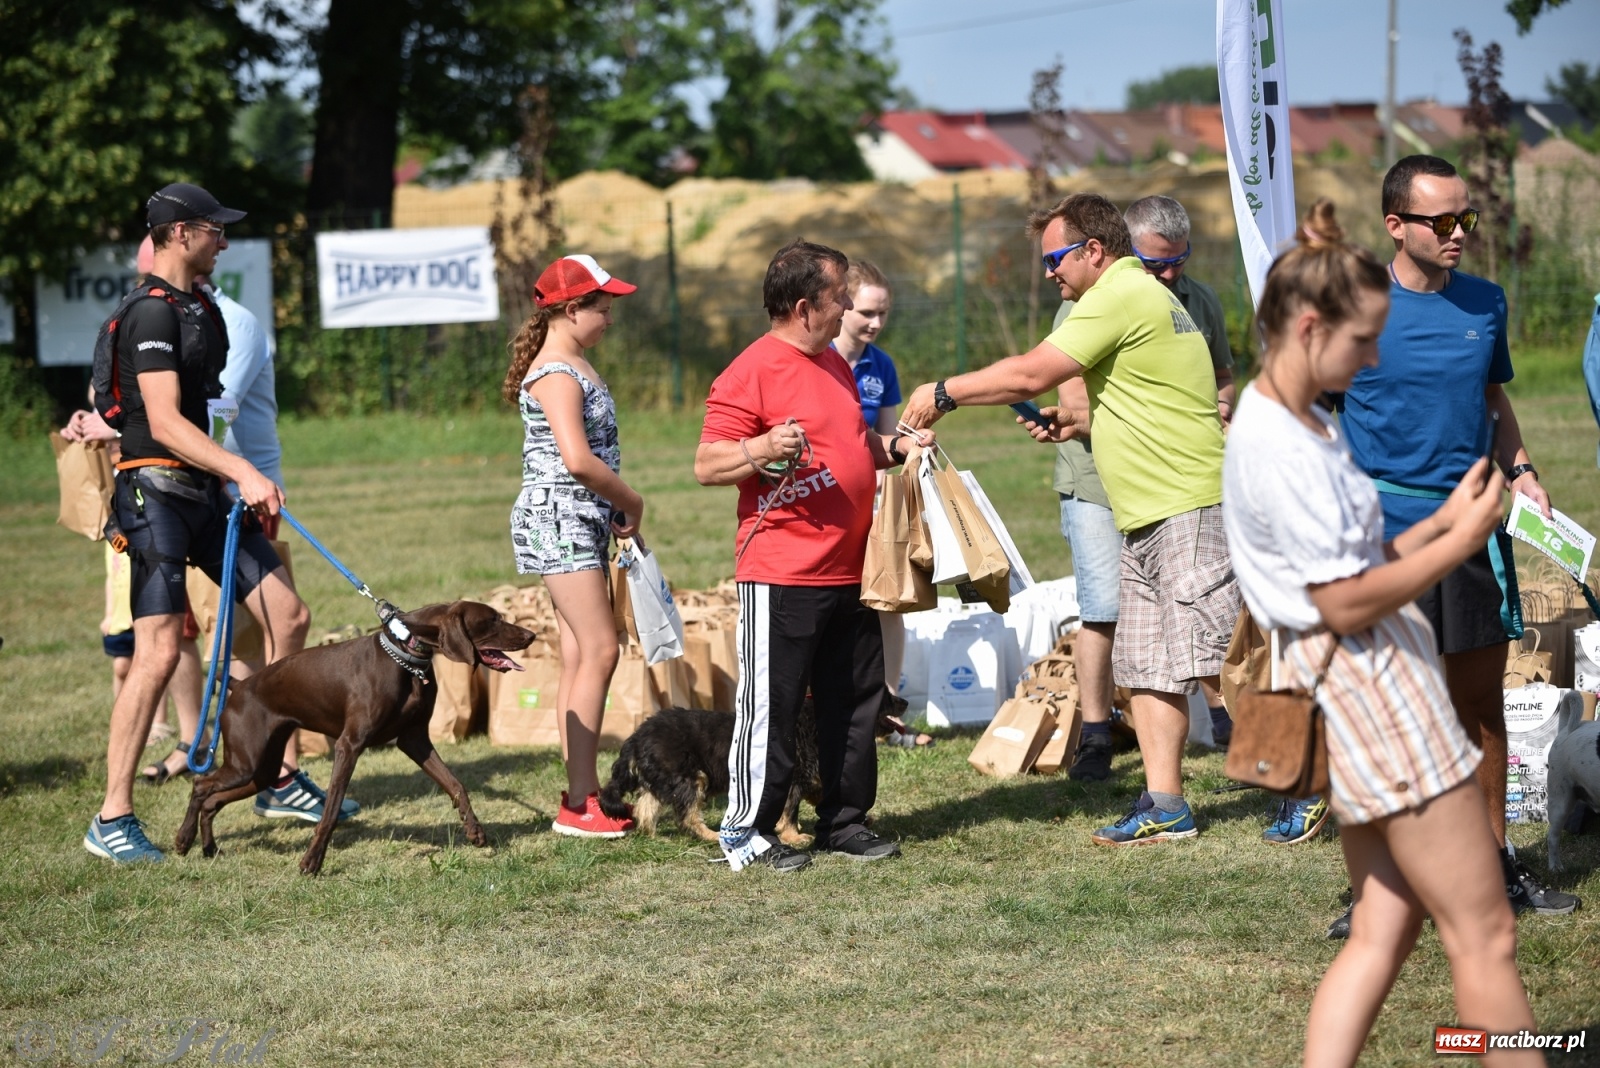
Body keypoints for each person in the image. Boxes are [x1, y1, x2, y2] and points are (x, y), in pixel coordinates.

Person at [1223, 198, 1540, 1068]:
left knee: (1385, 925)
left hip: (1357, 684)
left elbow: (1351, 559)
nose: (1371, 360)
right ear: (1310, 328)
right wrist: (1458, 547)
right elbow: (1341, 602)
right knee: (1486, 934)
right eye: (1363, 341)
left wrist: (1438, 524)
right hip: (1375, 690)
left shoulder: (1301, 420)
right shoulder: (1282, 445)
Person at [903, 192, 1240, 847]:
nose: (1049, 273)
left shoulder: (1119, 294)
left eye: (1055, 259)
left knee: (1221, 661)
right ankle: (1166, 804)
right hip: (1146, 513)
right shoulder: (1135, 294)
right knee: (1147, 669)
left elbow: (1030, 373)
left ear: (1094, 250)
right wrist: (1080, 421)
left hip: (1186, 507)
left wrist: (943, 391)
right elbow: (1151, 393)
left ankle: (1308, 785)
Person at [1336, 154, 1579, 927]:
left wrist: (1523, 470)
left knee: (1477, 707)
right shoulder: (1352, 306)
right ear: (1395, 225)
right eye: (1441, 220)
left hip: (1473, 528)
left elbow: (1492, 397)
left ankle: (1493, 865)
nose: (1459, 233)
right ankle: (1378, 888)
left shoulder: (1486, 301)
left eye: (1466, 218)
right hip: (1382, 541)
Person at [83, 182, 309, 864]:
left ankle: (273, 775)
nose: (225, 241)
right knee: (156, 653)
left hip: (206, 493)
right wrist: (243, 470)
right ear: (180, 233)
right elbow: (164, 421)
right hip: (153, 496)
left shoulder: (200, 308)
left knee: (289, 615)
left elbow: (206, 416)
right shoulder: (151, 313)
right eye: (215, 229)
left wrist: (232, 478)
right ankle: (112, 817)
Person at [696, 238, 931, 873]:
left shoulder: (833, 362)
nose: (848, 307)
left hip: (853, 567)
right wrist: (762, 448)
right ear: (805, 307)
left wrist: (897, 448)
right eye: (839, 297)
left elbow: (853, 443)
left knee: (854, 702)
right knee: (771, 708)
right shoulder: (750, 371)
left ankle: (844, 821)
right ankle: (748, 832)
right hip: (783, 573)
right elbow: (707, 463)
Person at [1053, 194, 1247, 793]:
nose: (1167, 274)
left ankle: (1270, 755)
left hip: (1175, 491)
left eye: (1178, 262)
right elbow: (1064, 392)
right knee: (1113, 621)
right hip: (1101, 484)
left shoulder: (1196, 300)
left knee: (1208, 629)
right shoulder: (1088, 301)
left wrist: (1214, 409)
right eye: (1156, 262)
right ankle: (1102, 741)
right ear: (1123, 250)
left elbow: (1220, 376)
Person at [504, 254, 643, 838]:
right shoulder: (557, 372)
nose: (609, 318)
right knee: (601, 649)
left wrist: (613, 511)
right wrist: (632, 500)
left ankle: (579, 796)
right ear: (569, 309)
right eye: (602, 308)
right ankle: (582, 802)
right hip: (559, 519)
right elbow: (578, 460)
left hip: (578, 519)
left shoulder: (572, 361)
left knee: (581, 655)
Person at [829, 258, 924, 744]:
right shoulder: (816, 359)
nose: (876, 323)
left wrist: (887, 496)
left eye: (883, 313)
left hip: (871, 501)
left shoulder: (880, 366)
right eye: (867, 312)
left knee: (889, 600)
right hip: (825, 505)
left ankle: (887, 710)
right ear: (842, 305)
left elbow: (889, 440)